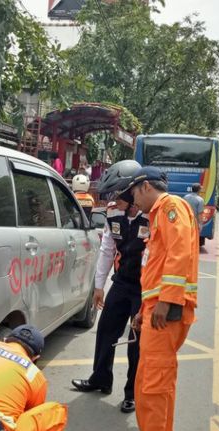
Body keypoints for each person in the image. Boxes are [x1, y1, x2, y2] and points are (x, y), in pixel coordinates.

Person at [120, 166, 199, 431]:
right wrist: (145, 307)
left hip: (169, 309)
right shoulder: (160, 214)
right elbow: (157, 266)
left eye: (133, 194)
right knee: (151, 380)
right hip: (158, 307)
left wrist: (165, 301)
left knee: (153, 383)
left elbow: (179, 255)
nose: (132, 201)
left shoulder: (170, 207)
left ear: (146, 186)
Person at [71, 159, 147, 413]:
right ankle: (100, 378)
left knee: (138, 341)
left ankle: (132, 393)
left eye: (118, 193)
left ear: (131, 192)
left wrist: (149, 299)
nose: (114, 198)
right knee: (106, 331)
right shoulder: (114, 212)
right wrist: (99, 286)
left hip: (145, 288)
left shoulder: (152, 216)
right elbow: (106, 249)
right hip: (122, 283)